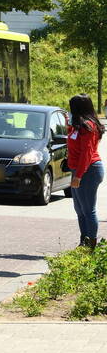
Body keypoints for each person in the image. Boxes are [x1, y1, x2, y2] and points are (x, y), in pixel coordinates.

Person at [68, 93, 104, 249]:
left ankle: (91, 245)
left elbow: (87, 153)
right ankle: (83, 241)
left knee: (88, 209)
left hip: (89, 171)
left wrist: (78, 176)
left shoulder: (88, 126)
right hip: (78, 170)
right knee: (79, 209)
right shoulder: (77, 125)